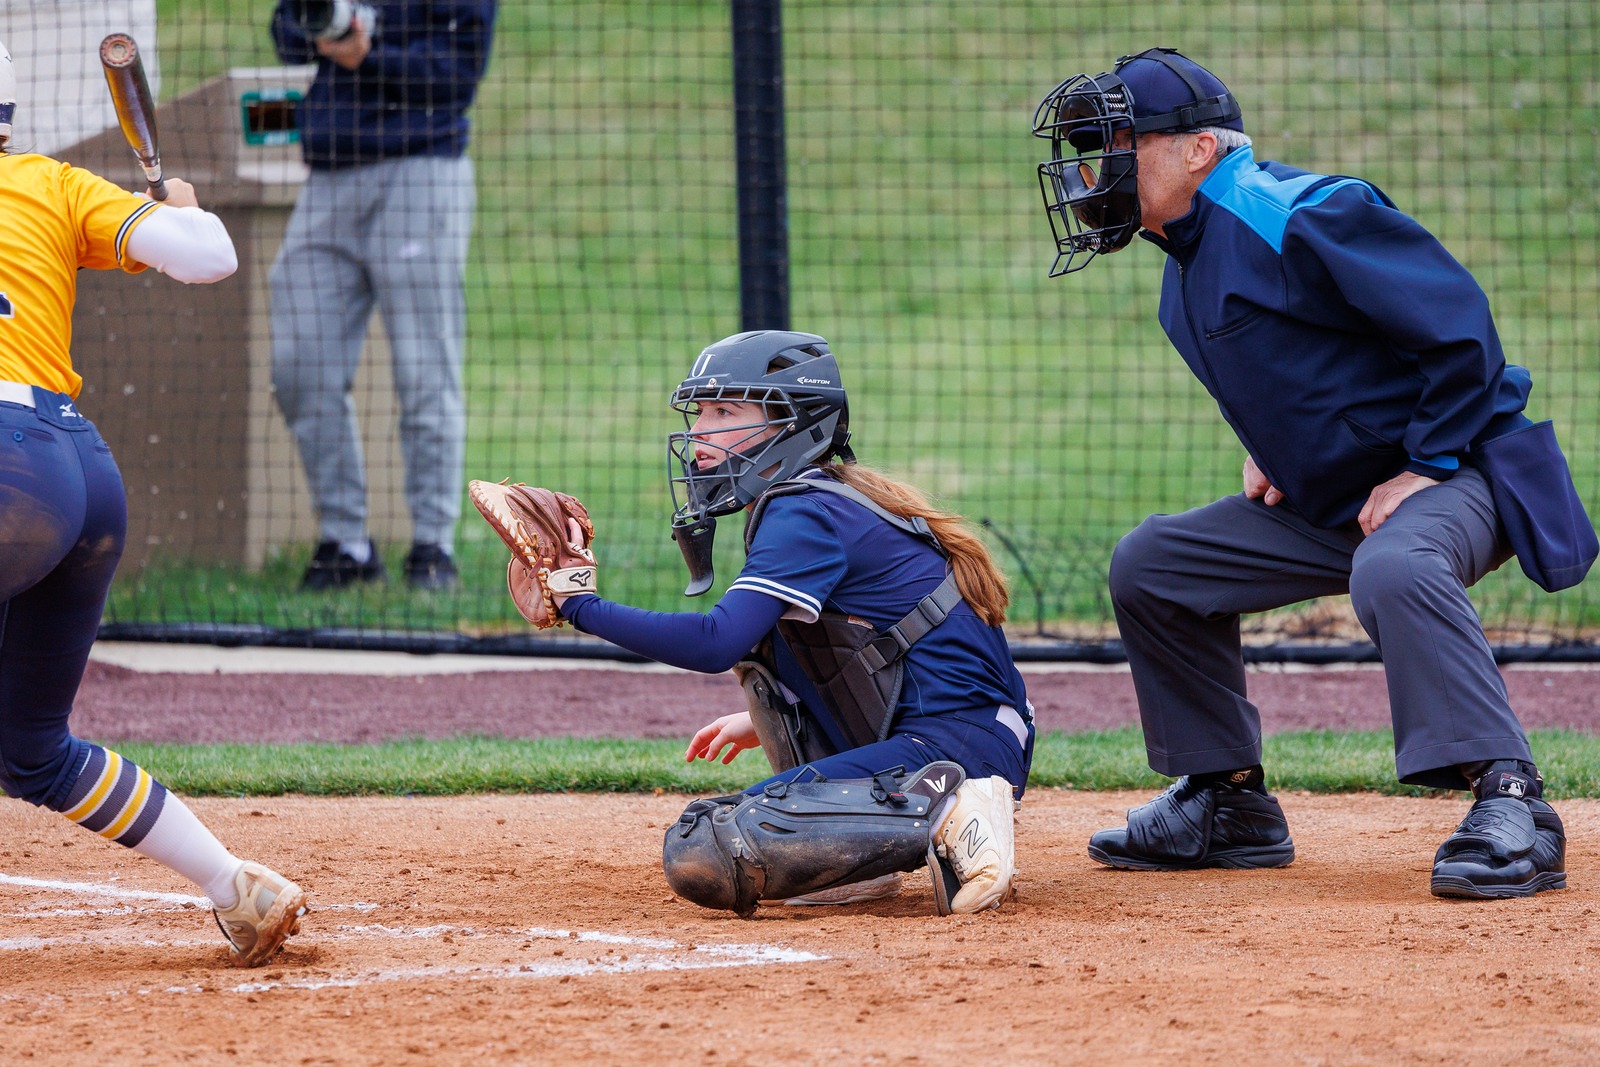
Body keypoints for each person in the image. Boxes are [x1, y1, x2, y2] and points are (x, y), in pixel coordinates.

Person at [1031, 48, 1594, 898]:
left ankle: (1512, 799)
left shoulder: (1297, 211)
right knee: (1155, 564)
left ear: (1198, 149)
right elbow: (1313, 369)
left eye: (1115, 144)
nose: (1090, 172)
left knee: (1396, 562)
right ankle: (1227, 802)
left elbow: (1460, 328)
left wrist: (1426, 462)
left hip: (1466, 470)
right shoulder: (1182, 267)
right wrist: (1279, 447)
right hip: (1340, 499)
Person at [474, 331, 1035, 916]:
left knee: (709, 843)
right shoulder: (820, 496)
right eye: (701, 414)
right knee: (764, 666)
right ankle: (859, 861)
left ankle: (958, 811)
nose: (699, 435)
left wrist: (579, 605)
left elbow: (717, 641)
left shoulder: (801, 510)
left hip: (957, 749)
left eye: (725, 412)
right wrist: (763, 715)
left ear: (792, 424)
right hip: (965, 732)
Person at [0, 39, 306, 965]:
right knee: (29, 749)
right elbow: (209, 257)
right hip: (75, 472)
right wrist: (184, 206)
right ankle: (236, 886)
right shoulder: (46, 184)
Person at [268, 0, 497, 591]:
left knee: (425, 369)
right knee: (301, 366)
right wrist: (320, 30)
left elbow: (457, 76)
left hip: (422, 169)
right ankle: (346, 544)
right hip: (329, 174)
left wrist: (370, 54)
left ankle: (432, 548)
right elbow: (286, 35)